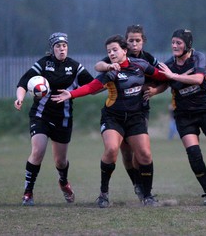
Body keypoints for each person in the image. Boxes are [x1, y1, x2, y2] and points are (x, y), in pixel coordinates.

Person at [52, 34, 167, 207]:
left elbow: (161, 76)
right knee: (112, 149)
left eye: (115, 50)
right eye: (109, 51)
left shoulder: (141, 65)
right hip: (113, 117)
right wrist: (71, 93)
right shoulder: (111, 71)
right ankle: (103, 194)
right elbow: (92, 87)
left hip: (136, 117)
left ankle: (148, 195)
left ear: (125, 51)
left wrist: (164, 81)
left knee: (145, 154)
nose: (112, 54)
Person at [148, 29, 206, 205]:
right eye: (173, 42)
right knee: (194, 154)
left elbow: (198, 79)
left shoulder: (198, 58)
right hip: (183, 115)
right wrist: (154, 91)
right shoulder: (168, 64)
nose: (174, 46)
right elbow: (164, 82)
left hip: (205, 110)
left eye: (178, 43)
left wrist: (173, 76)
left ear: (188, 44)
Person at [14, 32, 94, 206]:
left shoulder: (74, 67)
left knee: (60, 160)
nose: (62, 49)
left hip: (63, 118)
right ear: (52, 48)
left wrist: (107, 73)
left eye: (64, 45)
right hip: (40, 115)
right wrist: (20, 97)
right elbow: (23, 82)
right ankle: (28, 192)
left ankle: (63, 181)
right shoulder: (44, 64)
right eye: (58, 46)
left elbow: (92, 86)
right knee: (38, 151)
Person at [94, 24, 159, 201]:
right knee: (124, 153)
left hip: (140, 111)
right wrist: (107, 68)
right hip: (118, 111)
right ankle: (136, 185)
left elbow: (163, 78)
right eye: (130, 40)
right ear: (125, 42)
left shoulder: (147, 59)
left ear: (143, 41)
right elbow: (99, 65)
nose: (133, 44)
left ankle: (145, 190)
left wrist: (155, 90)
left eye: (137, 40)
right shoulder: (117, 54)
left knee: (142, 154)